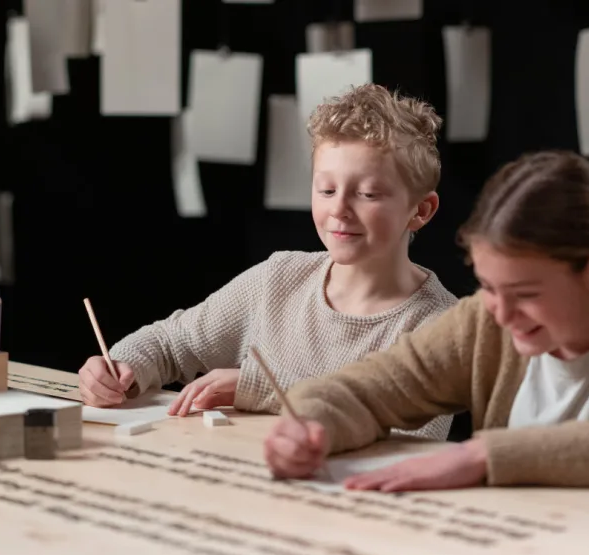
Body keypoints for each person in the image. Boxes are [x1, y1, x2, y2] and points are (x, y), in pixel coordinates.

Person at [264, 150, 589, 491]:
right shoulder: (484, 322)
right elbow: (363, 389)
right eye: (489, 287)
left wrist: (482, 456)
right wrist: (307, 424)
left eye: (525, 294)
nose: (502, 313)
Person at [77, 84, 459, 440]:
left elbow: (406, 439)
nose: (339, 209)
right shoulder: (279, 278)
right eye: (326, 189)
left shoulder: (441, 325)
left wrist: (262, 387)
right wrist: (122, 367)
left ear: (421, 210)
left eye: (368, 193)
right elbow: (171, 342)